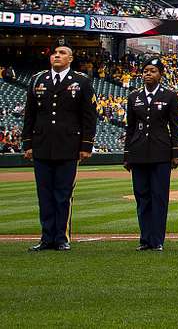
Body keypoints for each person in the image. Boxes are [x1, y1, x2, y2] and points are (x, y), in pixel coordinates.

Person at [21, 41, 97, 252]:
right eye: (54, 52)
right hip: (42, 144)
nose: (56, 55)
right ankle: (46, 238)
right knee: (44, 194)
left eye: (62, 53)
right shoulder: (38, 79)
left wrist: (86, 145)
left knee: (63, 195)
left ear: (70, 59)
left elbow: (89, 116)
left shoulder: (81, 81)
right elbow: (30, 115)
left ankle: (62, 237)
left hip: (69, 146)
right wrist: (27, 143)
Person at [123, 58, 178, 251]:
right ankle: (145, 238)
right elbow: (130, 127)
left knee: (159, 197)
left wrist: (176, 153)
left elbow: (175, 126)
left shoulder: (169, 96)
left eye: (153, 71)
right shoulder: (134, 96)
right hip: (139, 151)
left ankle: (157, 240)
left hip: (161, 152)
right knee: (142, 197)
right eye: (146, 71)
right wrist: (127, 155)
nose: (148, 74)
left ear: (160, 74)